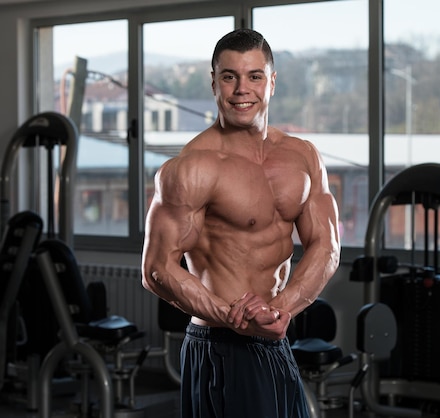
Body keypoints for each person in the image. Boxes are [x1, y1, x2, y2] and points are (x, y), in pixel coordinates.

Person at [141, 28, 340, 418]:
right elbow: (155, 269)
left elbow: (327, 247)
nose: (241, 90)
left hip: (276, 339)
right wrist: (232, 316)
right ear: (214, 82)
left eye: (254, 76)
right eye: (229, 76)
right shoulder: (193, 166)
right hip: (220, 343)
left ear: (272, 81)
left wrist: (280, 312)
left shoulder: (303, 156)